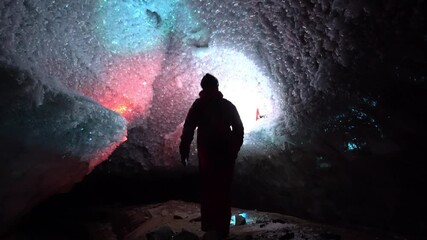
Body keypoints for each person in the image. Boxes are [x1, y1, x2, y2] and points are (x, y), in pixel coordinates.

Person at [179, 73, 244, 239]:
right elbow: (238, 129)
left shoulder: (199, 106)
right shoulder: (226, 105)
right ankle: (221, 228)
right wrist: (233, 150)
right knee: (222, 190)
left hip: (209, 154)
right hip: (221, 154)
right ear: (217, 86)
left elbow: (188, 129)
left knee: (210, 189)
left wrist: (184, 149)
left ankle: (211, 225)